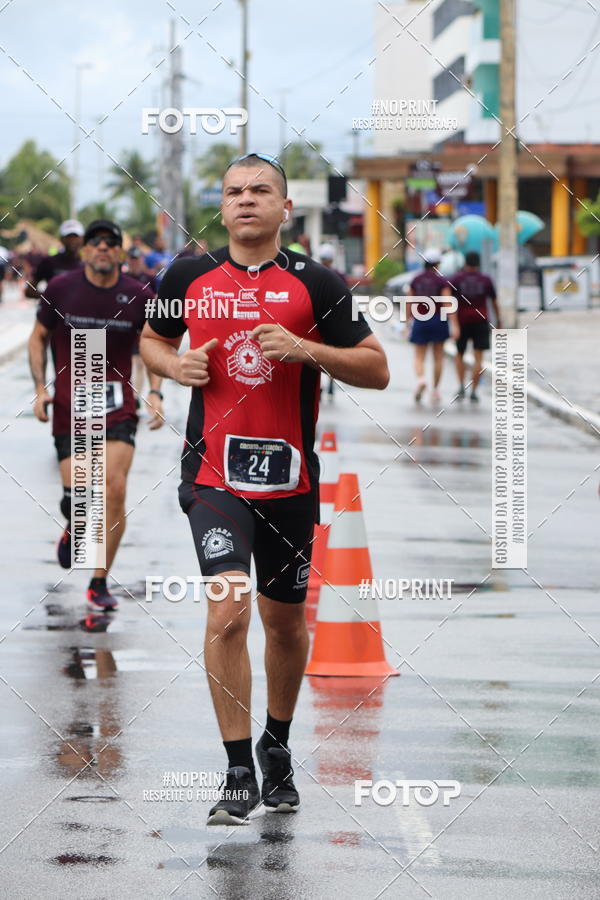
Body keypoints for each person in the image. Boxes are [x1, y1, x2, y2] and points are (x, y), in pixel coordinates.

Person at [140, 152, 389, 826]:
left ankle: (276, 746)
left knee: (283, 623)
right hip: (212, 477)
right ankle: (237, 768)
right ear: (221, 208)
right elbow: (152, 340)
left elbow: (376, 369)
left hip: (291, 484)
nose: (246, 200)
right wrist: (175, 362)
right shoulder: (186, 275)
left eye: (260, 191)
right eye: (233, 192)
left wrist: (309, 350)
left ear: (284, 207)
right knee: (227, 612)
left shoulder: (319, 283)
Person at [28, 219, 165, 611]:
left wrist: (155, 390)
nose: (103, 248)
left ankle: (99, 581)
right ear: (85, 250)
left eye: (111, 243)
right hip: (71, 406)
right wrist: (40, 389)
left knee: (115, 490)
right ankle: (75, 524)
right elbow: (38, 337)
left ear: (120, 251)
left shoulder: (139, 294)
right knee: (81, 497)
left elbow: (152, 344)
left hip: (118, 404)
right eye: (95, 242)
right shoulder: (61, 288)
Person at [407, 248, 459, 404]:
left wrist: (407, 322)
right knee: (438, 357)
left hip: (420, 320)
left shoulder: (416, 280)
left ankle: (421, 379)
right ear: (437, 264)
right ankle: (435, 390)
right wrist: (455, 325)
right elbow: (447, 303)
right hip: (438, 320)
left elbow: (409, 302)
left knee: (419, 356)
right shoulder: (441, 281)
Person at [451, 250, 502, 402]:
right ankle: (473, 390)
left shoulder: (457, 279)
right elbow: (494, 302)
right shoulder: (485, 280)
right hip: (481, 321)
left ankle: (461, 387)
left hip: (462, 321)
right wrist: (498, 321)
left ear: (465, 262)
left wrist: (453, 324)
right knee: (478, 357)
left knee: (459, 354)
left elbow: (451, 304)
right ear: (478, 263)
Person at [124, 247, 158, 401]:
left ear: (142, 261)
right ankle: (127, 393)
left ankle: (134, 396)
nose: (134, 262)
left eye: (137, 259)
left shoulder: (150, 279)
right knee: (127, 362)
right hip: (124, 326)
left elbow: (158, 300)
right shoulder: (122, 277)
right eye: (132, 259)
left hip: (143, 326)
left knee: (139, 363)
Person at [25, 219, 84, 299]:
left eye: (75, 236)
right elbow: (29, 290)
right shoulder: (49, 262)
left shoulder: (88, 265)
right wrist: (50, 297)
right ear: (61, 239)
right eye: (68, 237)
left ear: (82, 239)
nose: (72, 240)